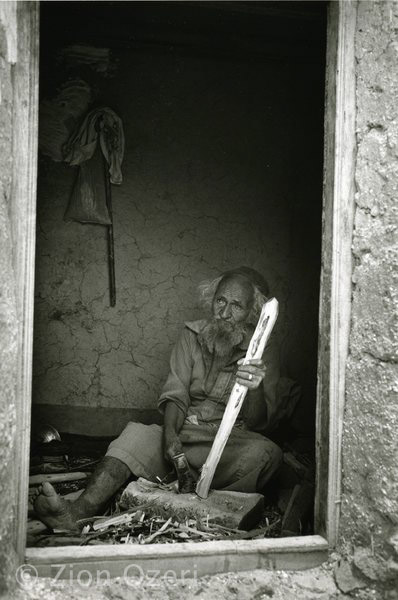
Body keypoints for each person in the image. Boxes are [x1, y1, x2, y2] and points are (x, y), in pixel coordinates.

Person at [33, 266, 296, 532]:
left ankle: (204, 506)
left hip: (230, 445)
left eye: (236, 306)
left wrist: (255, 387)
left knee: (267, 455)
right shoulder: (191, 335)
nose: (224, 313)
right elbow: (177, 392)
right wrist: (170, 434)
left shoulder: (263, 350)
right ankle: (76, 513)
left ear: (252, 312)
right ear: (211, 300)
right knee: (134, 436)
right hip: (187, 434)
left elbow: (262, 425)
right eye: (220, 301)